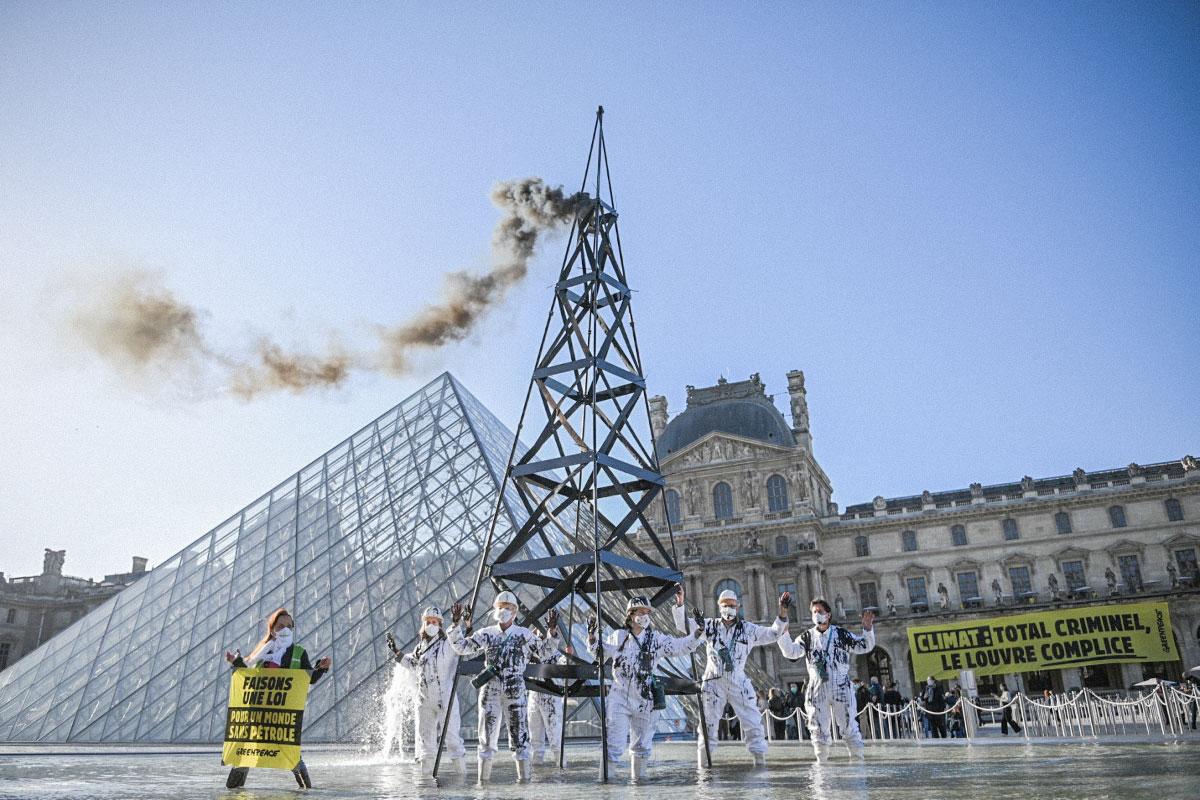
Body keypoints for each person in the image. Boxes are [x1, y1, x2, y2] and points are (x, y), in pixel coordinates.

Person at [447, 591, 559, 785]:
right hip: (490, 689)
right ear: (495, 610)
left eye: (508, 608)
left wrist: (552, 632)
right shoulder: (486, 633)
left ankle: (523, 783)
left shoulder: (524, 634)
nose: (504, 611)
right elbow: (462, 647)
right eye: (501, 607)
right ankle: (483, 785)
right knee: (486, 737)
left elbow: (544, 651)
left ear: (515, 612)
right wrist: (456, 625)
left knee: (520, 736)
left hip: (514, 688)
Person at [588, 595, 703, 780]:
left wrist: (697, 634)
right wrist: (592, 638)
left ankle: (639, 787)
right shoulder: (619, 636)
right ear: (631, 614)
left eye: (648, 612)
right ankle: (606, 787)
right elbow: (599, 653)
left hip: (645, 700)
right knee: (613, 745)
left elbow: (680, 646)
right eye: (642, 612)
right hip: (620, 698)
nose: (646, 616)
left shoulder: (656, 639)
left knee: (642, 747)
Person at [673, 585, 790, 766]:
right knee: (707, 726)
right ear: (719, 607)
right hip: (713, 682)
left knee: (753, 724)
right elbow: (683, 626)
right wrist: (680, 602)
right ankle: (703, 766)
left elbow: (774, 633)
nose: (729, 608)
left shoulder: (748, 629)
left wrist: (782, 612)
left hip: (738, 681)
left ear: (738, 607)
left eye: (732, 605)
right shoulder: (709, 625)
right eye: (725, 605)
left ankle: (760, 762)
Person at [223, 608, 331, 789]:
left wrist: (322, 668)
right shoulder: (261, 652)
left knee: (292, 756)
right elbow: (247, 675)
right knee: (245, 754)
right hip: (257, 714)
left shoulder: (299, 652)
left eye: (289, 626)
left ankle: (307, 793)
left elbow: (309, 678)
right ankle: (233, 794)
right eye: (281, 626)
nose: (286, 629)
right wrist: (235, 662)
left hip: (281, 717)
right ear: (272, 629)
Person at [777, 598, 876, 760]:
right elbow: (791, 652)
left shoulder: (841, 634)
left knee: (849, 724)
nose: (817, 615)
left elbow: (863, 646)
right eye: (814, 612)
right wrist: (783, 633)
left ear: (828, 614)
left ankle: (857, 761)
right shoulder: (807, 637)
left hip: (841, 685)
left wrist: (867, 629)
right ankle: (822, 764)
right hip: (817, 688)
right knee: (818, 729)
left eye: (820, 612)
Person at [385, 606, 466, 776]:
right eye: (428, 622)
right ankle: (426, 781)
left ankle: (461, 778)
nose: (431, 624)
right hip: (424, 700)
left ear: (440, 624)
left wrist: (456, 623)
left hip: (445, 698)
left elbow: (460, 645)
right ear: (423, 624)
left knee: (452, 740)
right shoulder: (419, 648)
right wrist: (397, 652)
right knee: (425, 744)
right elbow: (412, 665)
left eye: (434, 622)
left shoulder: (447, 643)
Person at [527, 646, 570, 767]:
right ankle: (537, 767)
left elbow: (564, 667)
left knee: (555, 736)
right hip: (534, 695)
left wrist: (567, 656)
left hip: (551, 696)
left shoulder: (554, 652)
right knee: (535, 738)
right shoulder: (530, 650)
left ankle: (561, 765)